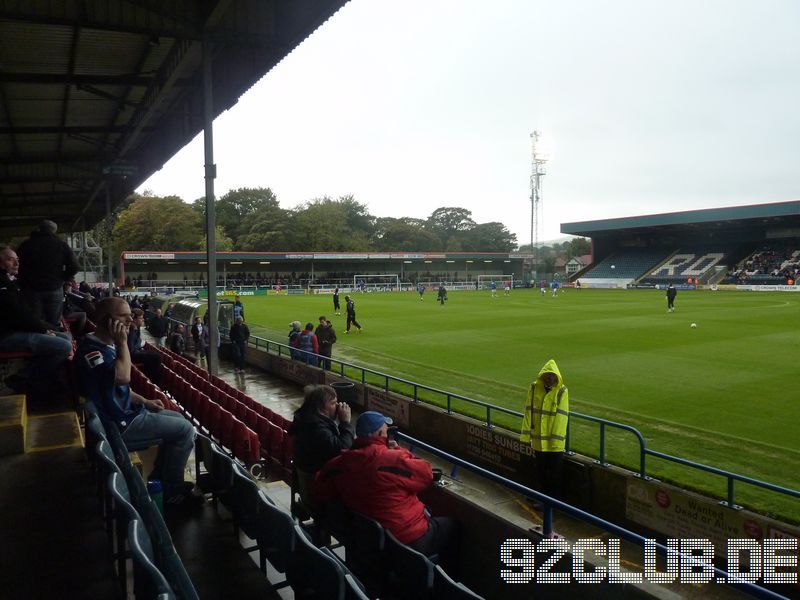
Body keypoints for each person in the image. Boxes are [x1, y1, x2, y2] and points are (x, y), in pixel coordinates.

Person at [76, 297, 201, 508]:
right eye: (123, 317)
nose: (130, 321)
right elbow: (123, 377)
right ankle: (173, 492)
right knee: (185, 430)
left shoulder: (102, 345)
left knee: (177, 419)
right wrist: (122, 342)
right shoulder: (93, 351)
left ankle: (161, 479)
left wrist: (146, 400)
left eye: (130, 317)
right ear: (107, 320)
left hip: (125, 416)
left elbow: (118, 388)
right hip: (118, 426)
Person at [315, 411, 458, 563]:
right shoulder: (392, 458)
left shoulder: (341, 462)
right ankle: (443, 583)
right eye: (386, 430)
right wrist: (399, 450)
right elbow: (426, 473)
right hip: (406, 539)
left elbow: (319, 485)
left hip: (368, 539)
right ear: (380, 433)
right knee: (453, 527)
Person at [0, 245, 73, 395]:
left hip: (14, 330)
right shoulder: (3, 285)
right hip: (5, 336)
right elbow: (19, 315)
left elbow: (24, 314)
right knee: (64, 346)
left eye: (17, 260)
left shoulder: (10, 282)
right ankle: (25, 379)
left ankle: (33, 379)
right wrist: (45, 329)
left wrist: (47, 328)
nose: (16, 264)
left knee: (65, 337)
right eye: (10, 260)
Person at [288, 384, 354, 513]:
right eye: (333, 403)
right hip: (318, 493)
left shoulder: (306, 420)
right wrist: (345, 423)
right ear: (320, 407)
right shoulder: (316, 428)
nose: (338, 407)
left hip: (308, 486)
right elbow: (343, 449)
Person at [520, 359, 569, 503]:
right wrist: (525, 435)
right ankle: (540, 498)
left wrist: (555, 441)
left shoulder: (561, 391)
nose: (549, 379)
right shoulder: (534, 388)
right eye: (547, 376)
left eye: (552, 376)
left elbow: (561, 417)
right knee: (540, 471)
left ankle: (550, 504)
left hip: (554, 444)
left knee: (554, 475)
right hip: (538, 440)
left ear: (556, 377)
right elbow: (529, 411)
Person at [16, 220, 80, 328]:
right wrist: (62, 278)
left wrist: (24, 280)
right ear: (54, 231)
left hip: (31, 290)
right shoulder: (61, 245)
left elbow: (17, 266)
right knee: (54, 322)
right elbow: (75, 267)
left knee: (35, 322)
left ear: (39, 229)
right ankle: (54, 341)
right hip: (54, 288)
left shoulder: (26, 245)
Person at [127, 308, 161, 384]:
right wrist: (139, 345)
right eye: (141, 318)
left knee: (154, 355)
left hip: (135, 352)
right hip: (133, 355)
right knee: (157, 357)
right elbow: (131, 350)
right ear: (134, 320)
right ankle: (154, 382)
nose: (143, 320)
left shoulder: (135, 329)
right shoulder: (132, 331)